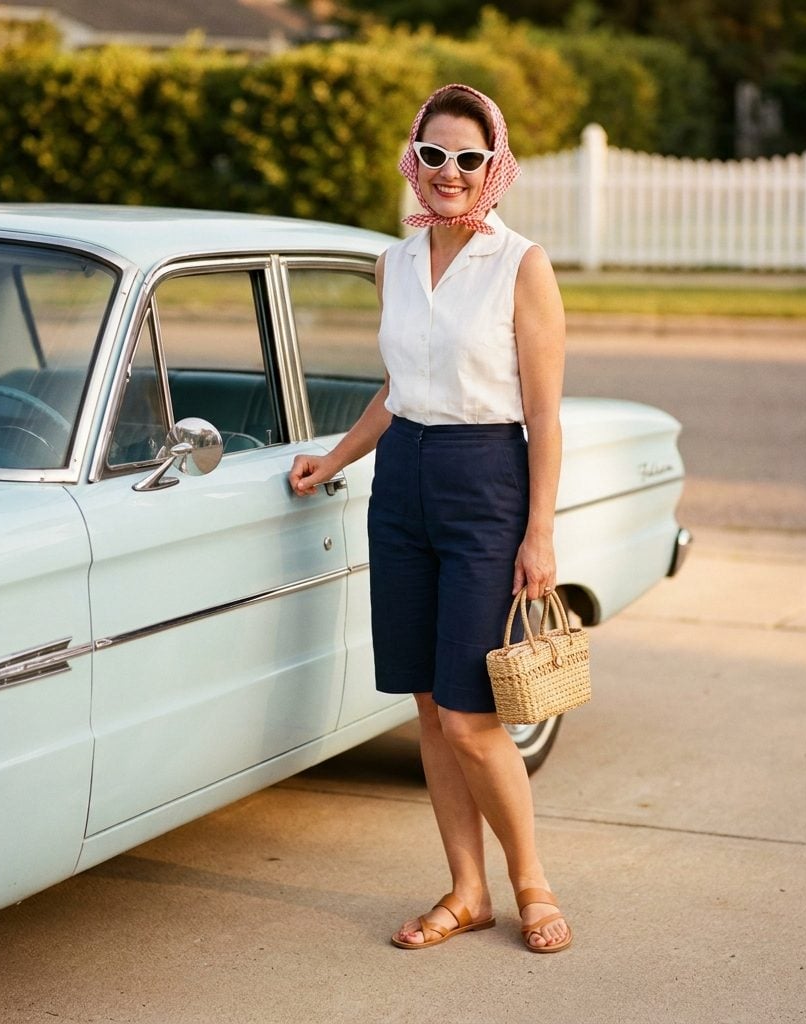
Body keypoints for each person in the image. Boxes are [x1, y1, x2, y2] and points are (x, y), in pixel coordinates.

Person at [288, 83, 570, 954]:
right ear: (415, 160)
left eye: (470, 158)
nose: (451, 172)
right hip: (402, 483)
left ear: (495, 168)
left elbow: (546, 413)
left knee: (470, 715)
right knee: (425, 703)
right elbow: (397, 388)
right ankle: (466, 890)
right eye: (436, 155)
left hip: (487, 483)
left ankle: (532, 883)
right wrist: (334, 460)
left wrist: (540, 533)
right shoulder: (394, 263)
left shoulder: (522, 265)